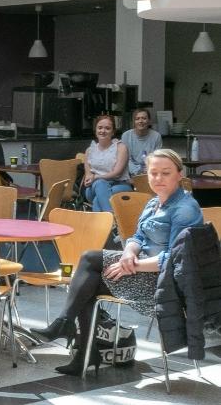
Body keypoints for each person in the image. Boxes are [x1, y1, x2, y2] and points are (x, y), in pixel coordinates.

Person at [32, 149, 202, 375]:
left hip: (164, 284)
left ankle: (72, 334)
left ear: (180, 175)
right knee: (87, 282)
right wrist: (128, 253)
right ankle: (79, 345)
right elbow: (138, 237)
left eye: (166, 173)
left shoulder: (185, 209)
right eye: (154, 173)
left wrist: (131, 265)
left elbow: (174, 258)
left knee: (89, 264)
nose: (158, 178)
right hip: (142, 270)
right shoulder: (154, 203)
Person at [83, 115, 132, 213]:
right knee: (100, 185)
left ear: (113, 132)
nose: (103, 131)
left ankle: (104, 225)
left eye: (107, 128)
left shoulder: (121, 147)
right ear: (95, 130)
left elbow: (117, 173)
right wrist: (89, 179)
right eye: (100, 128)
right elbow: (88, 175)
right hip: (93, 188)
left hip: (119, 185)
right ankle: (112, 218)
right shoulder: (89, 150)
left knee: (98, 198)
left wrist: (96, 177)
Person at [121, 108, 163, 176]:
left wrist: (149, 170)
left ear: (149, 121)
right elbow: (125, 159)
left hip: (150, 172)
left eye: (144, 118)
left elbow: (157, 158)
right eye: (137, 119)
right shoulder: (126, 136)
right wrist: (138, 171)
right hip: (130, 174)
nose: (140, 121)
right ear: (134, 122)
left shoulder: (156, 136)